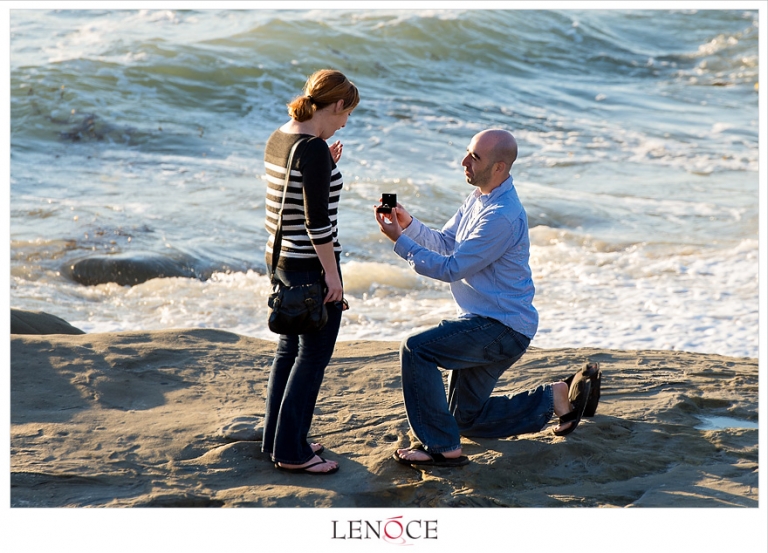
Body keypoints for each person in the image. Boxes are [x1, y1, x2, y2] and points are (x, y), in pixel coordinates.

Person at [374, 129, 596, 467]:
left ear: (499, 167)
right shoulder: (480, 198)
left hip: (500, 328)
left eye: (474, 157)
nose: (464, 161)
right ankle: (552, 398)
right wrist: (409, 226)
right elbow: (448, 242)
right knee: (466, 419)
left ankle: (441, 448)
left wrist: (399, 243)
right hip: (487, 322)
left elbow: (452, 268)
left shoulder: (501, 216)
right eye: (467, 152)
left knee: (416, 349)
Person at [262, 69, 359, 475]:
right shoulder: (313, 151)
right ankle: (292, 453)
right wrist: (332, 277)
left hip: (280, 259)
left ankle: (279, 438)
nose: (345, 122)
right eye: (346, 113)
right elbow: (317, 224)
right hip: (310, 263)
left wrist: (324, 162)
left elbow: (291, 196)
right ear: (335, 104)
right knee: (314, 354)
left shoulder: (282, 137)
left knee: (289, 350)